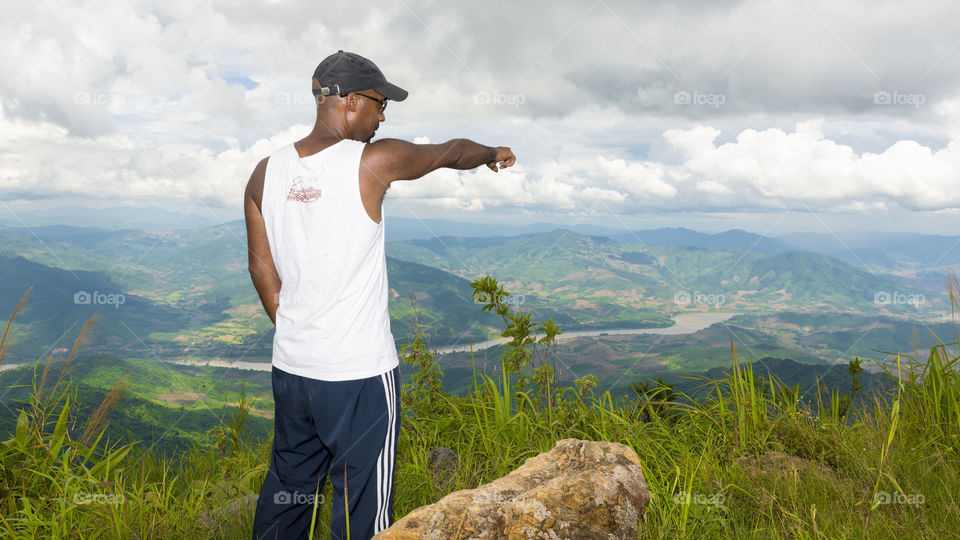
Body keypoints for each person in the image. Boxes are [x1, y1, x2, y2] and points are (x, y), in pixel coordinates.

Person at [244, 50, 516, 540]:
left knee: (288, 490)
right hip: (359, 375)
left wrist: (298, 331)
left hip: (292, 369)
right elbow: (452, 152)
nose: (384, 114)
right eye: (379, 101)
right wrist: (493, 152)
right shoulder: (373, 160)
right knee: (362, 509)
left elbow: (261, 269)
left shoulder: (265, 173)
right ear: (349, 101)